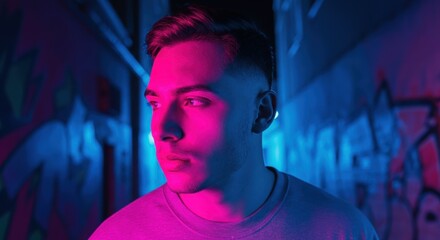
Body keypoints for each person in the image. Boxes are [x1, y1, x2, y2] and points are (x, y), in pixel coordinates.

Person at [90, 5, 379, 239]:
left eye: (194, 101)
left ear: (262, 112)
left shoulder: (343, 231)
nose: (164, 130)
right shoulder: (117, 235)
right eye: (155, 103)